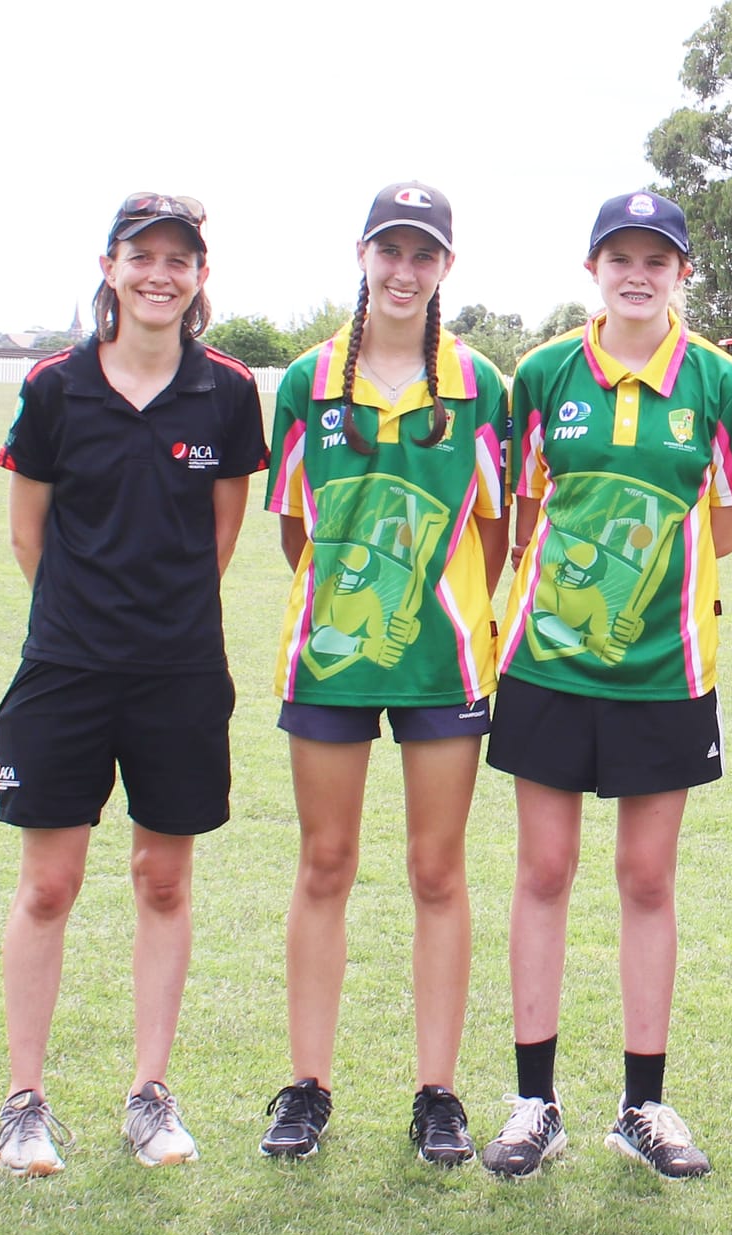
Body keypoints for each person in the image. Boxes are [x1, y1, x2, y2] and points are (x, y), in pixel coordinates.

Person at [480, 190, 732, 1180]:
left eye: (657, 259)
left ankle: (642, 1104)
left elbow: (723, 526)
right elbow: (523, 509)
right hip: (548, 664)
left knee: (647, 878)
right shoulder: (542, 373)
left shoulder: (722, 383)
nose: (637, 275)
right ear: (593, 269)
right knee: (544, 869)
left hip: (664, 669)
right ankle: (534, 1102)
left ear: (683, 273)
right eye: (620, 258)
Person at [0, 192, 266, 1175]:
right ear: (109, 267)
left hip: (179, 676)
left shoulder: (228, 391)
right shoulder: (54, 387)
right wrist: (87, 624)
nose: (159, 273)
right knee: (49, 884)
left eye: (178, 258)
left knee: (162, 878)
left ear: (200, 276)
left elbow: (220, 538)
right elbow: (28, 534)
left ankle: (150, 1093)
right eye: (141, 255)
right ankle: (24, 1102)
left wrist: (157, 627)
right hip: (64, 673)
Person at [257, 183, 509, 1166]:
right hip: (331, 662)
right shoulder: (307, 381)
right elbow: (297, 530)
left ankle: (437, 1092)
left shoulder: (477, 383)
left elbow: (495, 526)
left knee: (436, 871)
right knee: (324, 863)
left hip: (443, 660)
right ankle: (307, 1085)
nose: (404, 271)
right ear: (362, 255)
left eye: (423, 254)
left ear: (446, 267)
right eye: (389, 250)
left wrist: (442, 605)